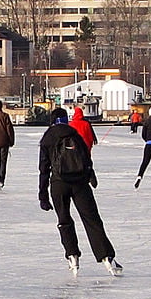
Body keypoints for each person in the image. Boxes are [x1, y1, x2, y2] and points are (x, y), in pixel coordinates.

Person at [38, 107, 122, 276]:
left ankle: (72, 255)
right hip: (80, 183)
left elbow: (44, 168)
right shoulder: (74, 133)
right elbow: (86, 157)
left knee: (64, 220)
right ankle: (106, 257)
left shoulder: (48, 137)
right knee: (92, 219)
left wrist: (43, 194)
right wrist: (91, 176)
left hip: (59, 183)